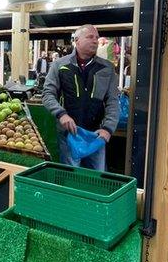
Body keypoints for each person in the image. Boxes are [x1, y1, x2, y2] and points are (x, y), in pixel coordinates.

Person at [42, 25, 120, 171]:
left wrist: (108, 129)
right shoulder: (60, 65)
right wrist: (61, 114)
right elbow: (47, 94)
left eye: (96, 37)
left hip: (96, 136)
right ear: (77, 40)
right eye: (90, 37)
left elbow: (113, 102)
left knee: (97, 179)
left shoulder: (107, 68)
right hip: (69, 134)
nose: (95, 41)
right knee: (71, 177)